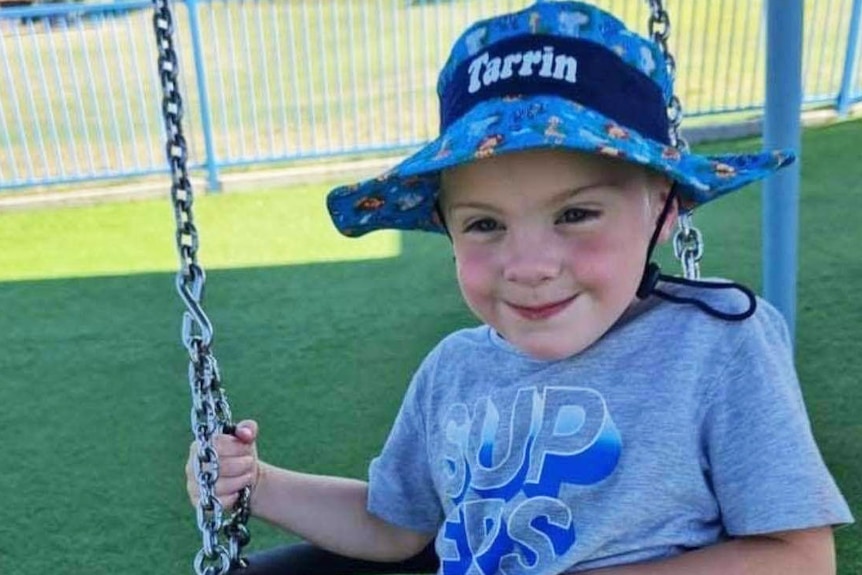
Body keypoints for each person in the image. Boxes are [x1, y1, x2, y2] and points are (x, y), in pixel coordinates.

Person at [187, 2, 854, 573]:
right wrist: (259, 483)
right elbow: (395, 526)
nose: (528, 265)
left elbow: (798, 555)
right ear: (446, 228)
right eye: (484, 224)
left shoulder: (715, 342)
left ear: (663, 209)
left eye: (575, 214)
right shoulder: (454, 368)